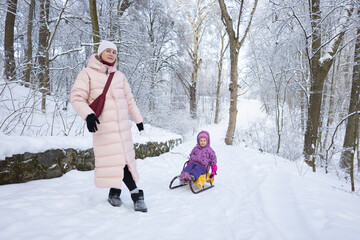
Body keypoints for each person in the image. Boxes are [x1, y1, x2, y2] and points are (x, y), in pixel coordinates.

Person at [71, 40, 147, 212]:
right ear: (100, 53)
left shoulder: (120, 76)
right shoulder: (87, 74)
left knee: (123, 160)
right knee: (118, 160)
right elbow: (77, 98)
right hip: (104, 128)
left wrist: (138, 120)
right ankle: (136, 194)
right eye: (108, 51)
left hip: (123, 129)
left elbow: (130, 101)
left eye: (114, 51)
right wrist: (88, 114)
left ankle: (114, 192)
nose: (112, 54)